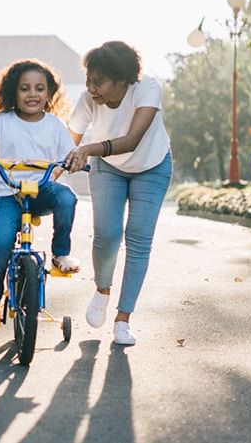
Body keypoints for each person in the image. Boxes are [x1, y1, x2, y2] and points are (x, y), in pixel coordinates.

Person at [0, 59, 81, 334]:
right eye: (25, 88)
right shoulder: (2, 121)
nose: (32, 94)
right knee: (1, 243)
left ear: (49, 94)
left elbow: (68, 155)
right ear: (14, 92)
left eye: (39, 88)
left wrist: (73, 162)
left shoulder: (55, 125)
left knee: (67, 198)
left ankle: (60, 254)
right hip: (6, 193)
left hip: (39, 191)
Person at [64, 40, 173, 346]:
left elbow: (132, 140)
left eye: (98, 82)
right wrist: (55, 166)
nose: (90, 88)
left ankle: (123, 319)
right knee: (107, 234)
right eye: (88, 79)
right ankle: (102, 290)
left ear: (122, 79)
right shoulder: (88, 99)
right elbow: (67, 141)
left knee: (138, 239)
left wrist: (88, 148)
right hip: (108, 168)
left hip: (152, 166)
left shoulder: (146, 89)